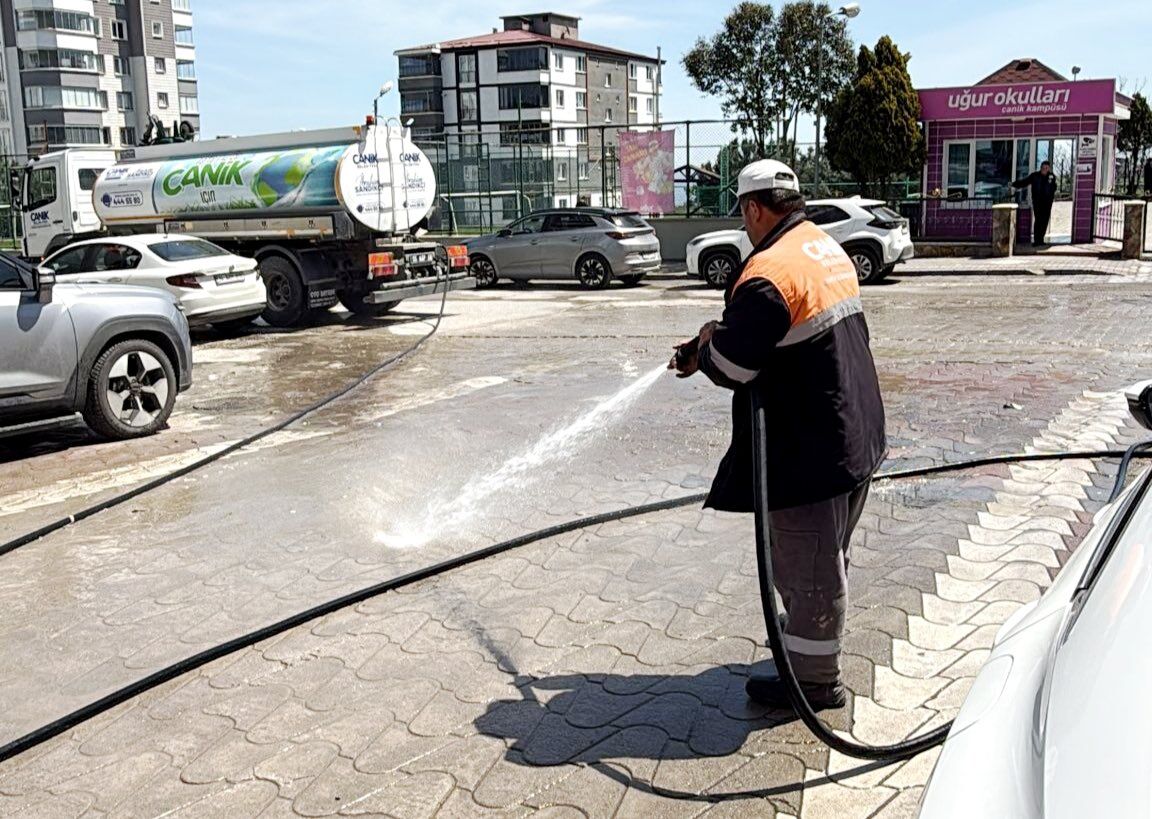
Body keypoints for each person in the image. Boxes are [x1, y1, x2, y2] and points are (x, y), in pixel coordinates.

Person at [669, 159, 886, 711]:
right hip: (852, 434)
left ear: (754, 208)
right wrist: (720, 336)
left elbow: (736, 367)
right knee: (823, 557)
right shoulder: (821, 246)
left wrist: (708, 346)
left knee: (809, 569)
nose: (744, 226)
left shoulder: (769, 273)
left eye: (743, 215)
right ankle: (806, 652)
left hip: (808, 454)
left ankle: (816, 684)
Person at [1012, 161, 1058, 246]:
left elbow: (1054, 188)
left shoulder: (1051, 177)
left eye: (1047, 168)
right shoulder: (1035, 176)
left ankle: (1041, 240)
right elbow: (1024, 182)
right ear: (1041, 168)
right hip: (1037, 202)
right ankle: (1037, 240)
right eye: (1043, 168)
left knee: (1044, 221)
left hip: (1047, 203)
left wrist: (1051, 187)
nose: (1045, 170)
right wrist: (1014, 184)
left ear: (1049, 169)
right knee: (1038, 220)